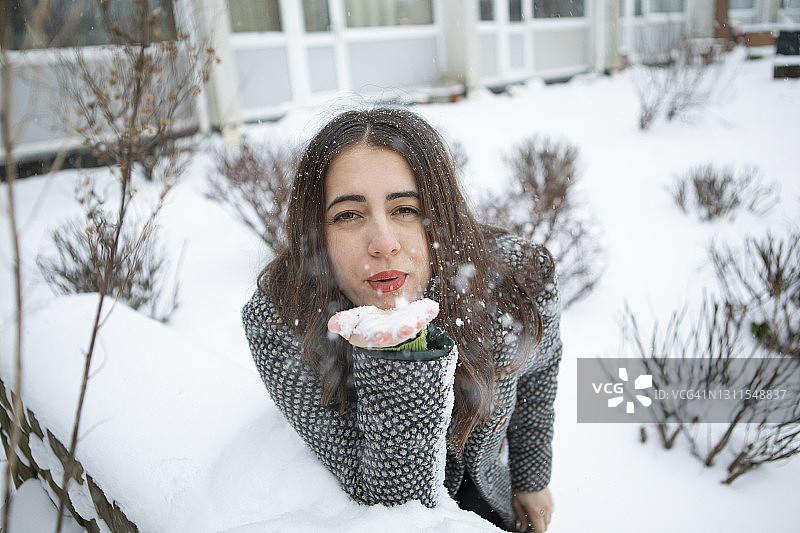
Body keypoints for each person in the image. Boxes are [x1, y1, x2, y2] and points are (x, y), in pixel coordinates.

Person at [242, 107, 562, 532]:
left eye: (406, 209)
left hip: (490, 495)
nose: (383, 244)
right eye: (348, 215)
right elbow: (396, 505)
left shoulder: (514, 278)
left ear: (440, 215)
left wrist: (531, 476)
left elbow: (540, 369)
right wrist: (396, 347)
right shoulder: (281, 319)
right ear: (317, 232)